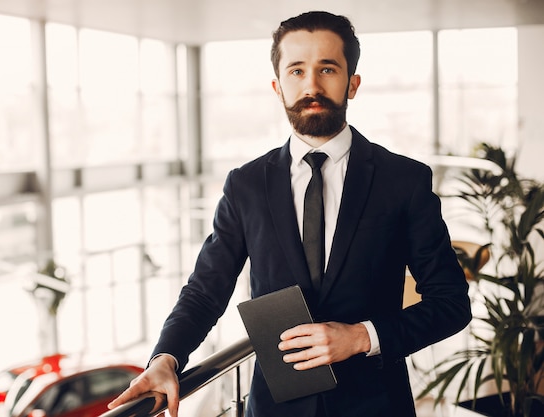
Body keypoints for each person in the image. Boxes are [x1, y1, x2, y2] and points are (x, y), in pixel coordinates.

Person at [108, 10, 471, 417]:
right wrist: (166, 357)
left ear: (352, 84)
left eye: (327, 69)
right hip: (273, 408)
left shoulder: (403, 180)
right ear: (277, 86)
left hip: (375, 405)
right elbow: (205, 290)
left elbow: (451, 303)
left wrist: (361, 337)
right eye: (296, 71)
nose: (311, 85)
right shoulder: (244, 185)